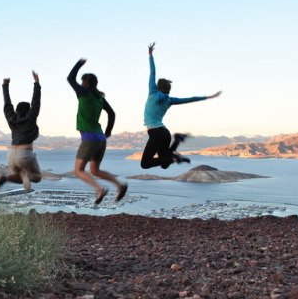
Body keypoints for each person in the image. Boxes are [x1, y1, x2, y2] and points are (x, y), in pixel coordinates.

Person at [142, 42, 222, 170]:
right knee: (164, 163)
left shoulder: (153, 91)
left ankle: (175, 157)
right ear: (168, 89)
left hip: (156, 133)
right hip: (164, 133)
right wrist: (208, 97)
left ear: (158, 86)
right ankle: (178, 140)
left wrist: (150, 55)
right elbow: (190, 99)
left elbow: (152, 72)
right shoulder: (170, 100)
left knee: (145, 163)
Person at [67, 58, 128, 204]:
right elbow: (112, 113)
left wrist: (79, 64)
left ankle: (99, 189)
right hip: (100, 138)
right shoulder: (100, 98)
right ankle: (120, 185)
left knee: (78, 170)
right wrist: (108, 131)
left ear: (85, 83)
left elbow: (70, 78)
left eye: (82, 82)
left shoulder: (83, 93)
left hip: (89, 138)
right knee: (94, 170)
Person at [0, 71, 42, 192]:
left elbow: (7, 103)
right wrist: (37, 83)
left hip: (11, 155)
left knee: (19, 178)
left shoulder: (11, 119)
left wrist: (5, 85)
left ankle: (4, 179)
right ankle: (26, 175)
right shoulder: (30, 118)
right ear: (28, 110)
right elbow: (36, 101)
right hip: (24, 154)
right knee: (37, 177)